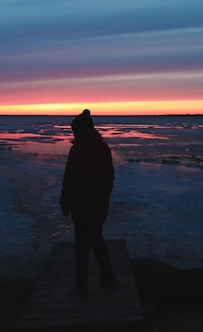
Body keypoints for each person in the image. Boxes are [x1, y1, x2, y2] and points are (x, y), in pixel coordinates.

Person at [60, 109, 116, 297]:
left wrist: (65, 204)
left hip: (83, 206)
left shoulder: (79, 150)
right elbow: (110, 177)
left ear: (81, 130)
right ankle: (108, 277)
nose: (73, 134)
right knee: (97, 240)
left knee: (82, 246)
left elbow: (71, 180)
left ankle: (81, 286)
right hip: (99, 205)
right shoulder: (103, 147)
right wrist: (104, 198)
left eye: (75, 131)